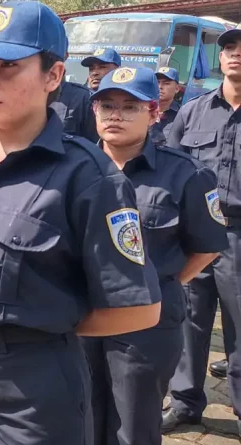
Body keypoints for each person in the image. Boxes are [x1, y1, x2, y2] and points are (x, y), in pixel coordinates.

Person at [0, 3, 162, 443]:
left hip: (32, 373)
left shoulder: (88, 177)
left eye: (9, 66)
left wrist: (41, 323)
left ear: (52, 76)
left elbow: (139, 307)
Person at [82, 66, 227, 445]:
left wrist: (162, 282)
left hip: (145, 328)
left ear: (154, 112)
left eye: (130, 107)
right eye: (107, 105)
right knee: (78, 420)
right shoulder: (73, 168)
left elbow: (208, 245)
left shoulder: (186, 174)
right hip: (78, 318)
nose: (116, 115)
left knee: (133, 429)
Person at [163, 23, 241, 436]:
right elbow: (171, 169)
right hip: (195, 235)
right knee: (188, 322)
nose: (234, 53)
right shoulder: (194, 110)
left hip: (239, 238)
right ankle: (186, 402)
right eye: (228, 46)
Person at [50, 53, 99, 142]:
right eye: (91, 69)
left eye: (103, 67)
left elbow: (93, 145)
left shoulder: (82, 97)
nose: (95, 73)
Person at [151, 67, 180, 144]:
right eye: (157, 82)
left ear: (177, 88)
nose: (160, 87)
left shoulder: (182, 115)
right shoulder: (143, 111)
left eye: (166, 83)